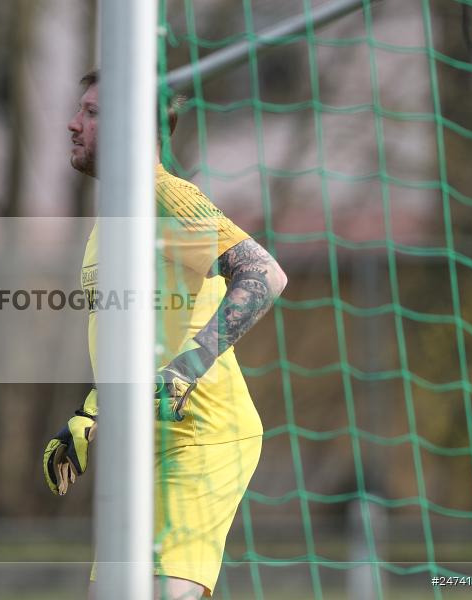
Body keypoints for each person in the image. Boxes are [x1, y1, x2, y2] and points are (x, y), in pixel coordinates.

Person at [43, 69, 288, 599]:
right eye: (79, 109)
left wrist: (186, 369)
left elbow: (265, 275)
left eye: (92, 113)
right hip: (140, 443)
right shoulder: (111, 219)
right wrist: (91, 411)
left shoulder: (165, 195)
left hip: (201, 436)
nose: (72, 124)